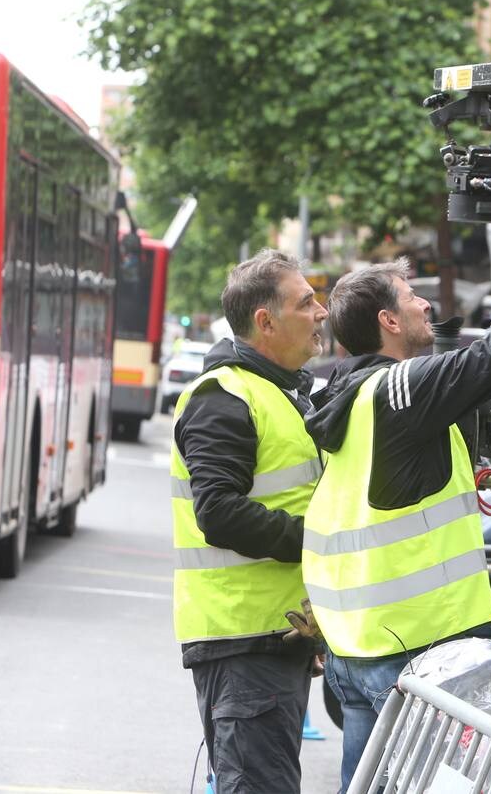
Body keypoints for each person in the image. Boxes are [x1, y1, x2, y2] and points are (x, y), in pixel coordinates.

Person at [301, 238, 491, 790]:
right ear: (388, 320)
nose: (426, 305)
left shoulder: (348, 394)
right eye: (412, 297)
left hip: (357, 646)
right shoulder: (399, 388)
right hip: (411, 650)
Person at [169, 249, 329, 794]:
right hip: (244, 642)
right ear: (266, 321)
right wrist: (320, 545)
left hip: (271, 639)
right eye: (306, 302)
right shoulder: (225, 397)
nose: (322, 312)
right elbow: (217, 511)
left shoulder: (278, 393)